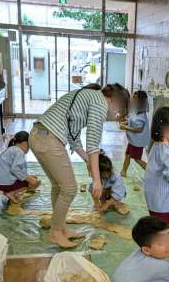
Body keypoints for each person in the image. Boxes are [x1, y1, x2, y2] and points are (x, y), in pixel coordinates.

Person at [29, 83, 129, 248]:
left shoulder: (88, 97)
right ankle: (55, 232)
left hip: (38, 135)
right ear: (115, 101)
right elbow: (93, 144)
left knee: (59, 187)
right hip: (48, 139)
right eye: (119, 109)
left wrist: (88, 161)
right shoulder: (100, 103)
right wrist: (96, 180)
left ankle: (61, 228)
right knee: (69, 189)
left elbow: (73, 137)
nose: (115, 113)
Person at [0, 131, 41, 204]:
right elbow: (15, 169)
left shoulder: (12, 149)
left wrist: (28, 177)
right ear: (25, 143)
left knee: (33, 178)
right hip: (4, 183)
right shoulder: (19, 151)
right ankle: (11, 193)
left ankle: (9, 191)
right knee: (36, 182)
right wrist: (29, 179)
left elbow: (14, 169)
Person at [119, 90, 149, 176]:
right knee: (128, 154)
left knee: (137, 159)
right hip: (133, 140)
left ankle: (151, 172)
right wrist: (125, 123)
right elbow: (131, 120)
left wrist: (125, 127)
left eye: (135, 98)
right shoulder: (136, 111)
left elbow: (138, 129)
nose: (132, 100)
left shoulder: (141, 116)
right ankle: (123, 171)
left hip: (137, 141)